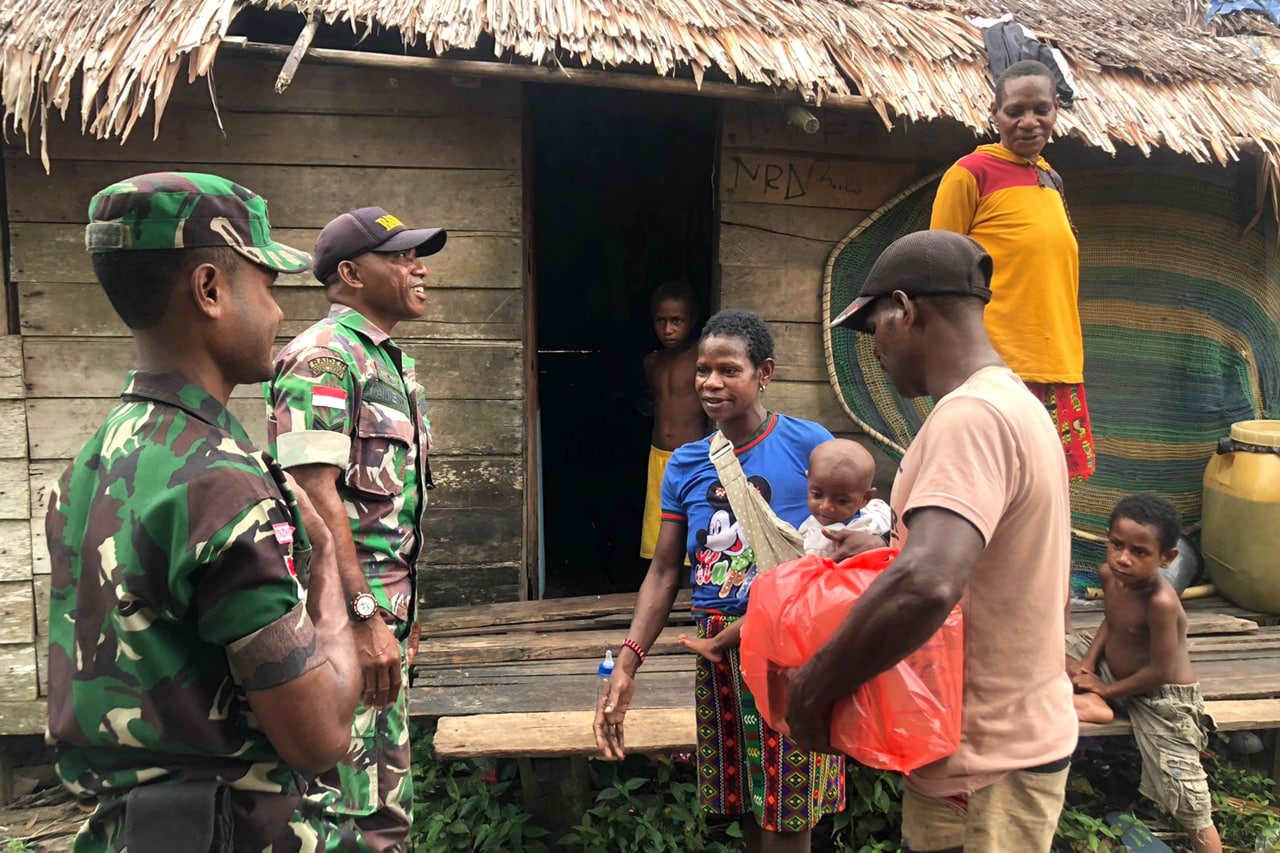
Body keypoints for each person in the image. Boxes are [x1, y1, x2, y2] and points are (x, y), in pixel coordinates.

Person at [46, 172, 362, 852]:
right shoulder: (223, 487)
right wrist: (326, 567)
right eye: (268, 285)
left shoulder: (86, 467)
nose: (278, 313)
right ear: (210, 290)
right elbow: (320, 735)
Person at [789, 230, 1077, 852]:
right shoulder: (1015, 404)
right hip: (971, 748)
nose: (875, 350)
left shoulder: (971, 418)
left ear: (905, 310)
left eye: (874, 329)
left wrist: (813, 689)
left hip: (991, 760)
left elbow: (926, 581)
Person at [596, 309, 845, 852]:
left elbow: (845, 539)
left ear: (765, 373)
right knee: (748, 802)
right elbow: (665, 571)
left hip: (787, 644)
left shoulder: (809, 445)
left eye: (729, 370)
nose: (711, 383)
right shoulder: (686, 463)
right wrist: (628, 661)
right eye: (703, 370)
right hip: (716, 647)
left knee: (788, 810)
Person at [267, 207, 445, 853]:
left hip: (384, 618)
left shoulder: (388, 363)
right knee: (348, 816)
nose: (419, 269)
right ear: (351, 273)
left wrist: (402, 615)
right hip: (343, 626)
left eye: (416, 256)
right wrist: (364, 616)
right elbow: (314, 496)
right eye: (400, 257)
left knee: (385, 811)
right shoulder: (324, 359)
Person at [930, 58, 1095, 481]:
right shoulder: (970, 174)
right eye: (1015, 111)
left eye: (1041, 110)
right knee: (989, 482)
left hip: (1058, 361)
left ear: (1056, 110)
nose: (1029, 122)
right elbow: (937, 272)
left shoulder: (1050, 179)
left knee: (1047, 486)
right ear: (995, 114)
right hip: (996, 364)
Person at [1068, 495, 1222, 853]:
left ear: (1167, 558)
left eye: (1139, 552)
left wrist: (1105, 689)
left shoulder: (1161, 602)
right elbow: (1112, 621)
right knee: (1046, 647)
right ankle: (1096, 704)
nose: (1123, 558)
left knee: (1187, 795)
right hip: (1111, 671)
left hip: (1161, 699)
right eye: (1117, 545)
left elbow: (1161, 671)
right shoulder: (1110, 576)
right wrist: (1088, 662)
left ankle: (1097, 701)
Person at [677, 437, 891, 662]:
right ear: (807, 481)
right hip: (838, 611)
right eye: (817, 495)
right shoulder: (873, 515)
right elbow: (886, 514)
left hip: (830, 608)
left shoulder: (837, 534)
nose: (826, 506)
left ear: (865, 498)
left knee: (767, 607)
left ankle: (716, 644)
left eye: (841, 501)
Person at [640, 280, 708, 560]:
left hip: (693, 457)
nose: (668, 329)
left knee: (693, 534)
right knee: (660, 535)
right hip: (658, 457)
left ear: (692, 321)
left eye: (676, 321)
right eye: (661, 321)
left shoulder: (701, 360)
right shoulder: (652, 363)